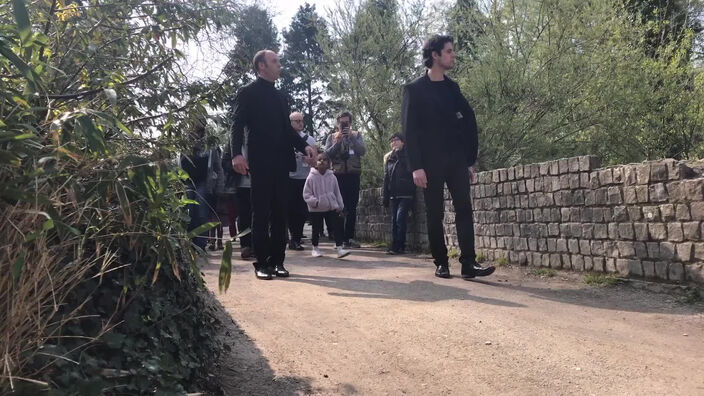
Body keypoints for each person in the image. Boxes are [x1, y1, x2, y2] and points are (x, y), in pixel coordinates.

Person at [401, 35, 495, 279]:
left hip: (455, 160)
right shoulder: (414, 90)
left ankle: (468, 264)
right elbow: (409, 131)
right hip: (429, 163)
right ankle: (441, 262)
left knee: (464, 208)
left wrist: (468, 160)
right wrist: (416, 167)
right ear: (435, 55)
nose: (454, 55)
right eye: (450, 51)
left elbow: (466, 122)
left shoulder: (452, 88)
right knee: (435, 213)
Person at [230, 49, 316, 280]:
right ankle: (262, 262)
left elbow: (287, 129)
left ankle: (278, 261)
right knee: (261, 212)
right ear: (261, 67)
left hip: (281, 161)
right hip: (259, 161)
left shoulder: (281, 97)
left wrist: (303, 145)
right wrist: (236, 154)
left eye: (279, 61)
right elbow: (237, 124)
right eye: (275, 61)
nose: (280, 65)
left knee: (281, 212)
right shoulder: (248, 93)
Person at [325, 111, 366, 248]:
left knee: (352, 207)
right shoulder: (332, 137)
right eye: (342, 122)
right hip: (337, 176)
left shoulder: (357, 135)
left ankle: (349, 237)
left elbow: (362, 151)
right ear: (337, 124)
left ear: (350, 123)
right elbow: (327, 154)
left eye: (346, 122)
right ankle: (339, 238)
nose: (344, 125)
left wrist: (352, 138)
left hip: (353, 175)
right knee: (338, 207)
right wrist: (338, 142)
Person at [303, 153, 351, 259]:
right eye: (320, 159)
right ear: (316, 162)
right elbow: (306, 194)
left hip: (331, 207)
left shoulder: (332, 177)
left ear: (329, 163)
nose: (322, 161)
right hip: (316, 209)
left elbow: (337, 192)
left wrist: (340, 206)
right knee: (316, 229)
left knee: (336, 227)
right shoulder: (311, 177)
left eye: (325, 160)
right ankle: (315, 248)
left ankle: (339, 248)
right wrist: (315, 202)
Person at [287, 112, 317, 251]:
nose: (299, 123)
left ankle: (296, 239)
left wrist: (308, 159)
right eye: (296, 121)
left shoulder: (309, 140)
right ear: (290, 122)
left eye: (301, 120)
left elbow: (316, 161)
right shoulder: (284, 137)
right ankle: (289, 236)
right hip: (288, 178)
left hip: (304, 178)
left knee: (300, 211)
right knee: (288, 210)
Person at [382, 133, 415, 255]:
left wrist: (400, 155)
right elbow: (386, 177)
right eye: (391, 141)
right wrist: (385, 196)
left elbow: (409, 170)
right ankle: (395, 245)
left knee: (400, 219)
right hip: (393, 194)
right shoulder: (389, 158)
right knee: (394, 221)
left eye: (396, 140)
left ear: (403, 142)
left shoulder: (408, 155)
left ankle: (400, 245)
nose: (393, 143)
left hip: (406, 193)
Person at [180, 121, 210, 251]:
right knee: (190, 212)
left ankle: (201, 244)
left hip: (202, 182)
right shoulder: (185, 144)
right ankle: (191, 242)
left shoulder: (208, 143)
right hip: (188, 181)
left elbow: (214, 165)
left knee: (202, 213)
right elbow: (180, 162)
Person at [207, 145, 225, 250]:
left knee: (217, 218)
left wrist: (220, 189)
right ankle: (214, 241)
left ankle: (217, 241)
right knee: (214, 218)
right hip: (212, 190)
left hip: (217, 191)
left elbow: (221, 173)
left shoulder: (218, 163)